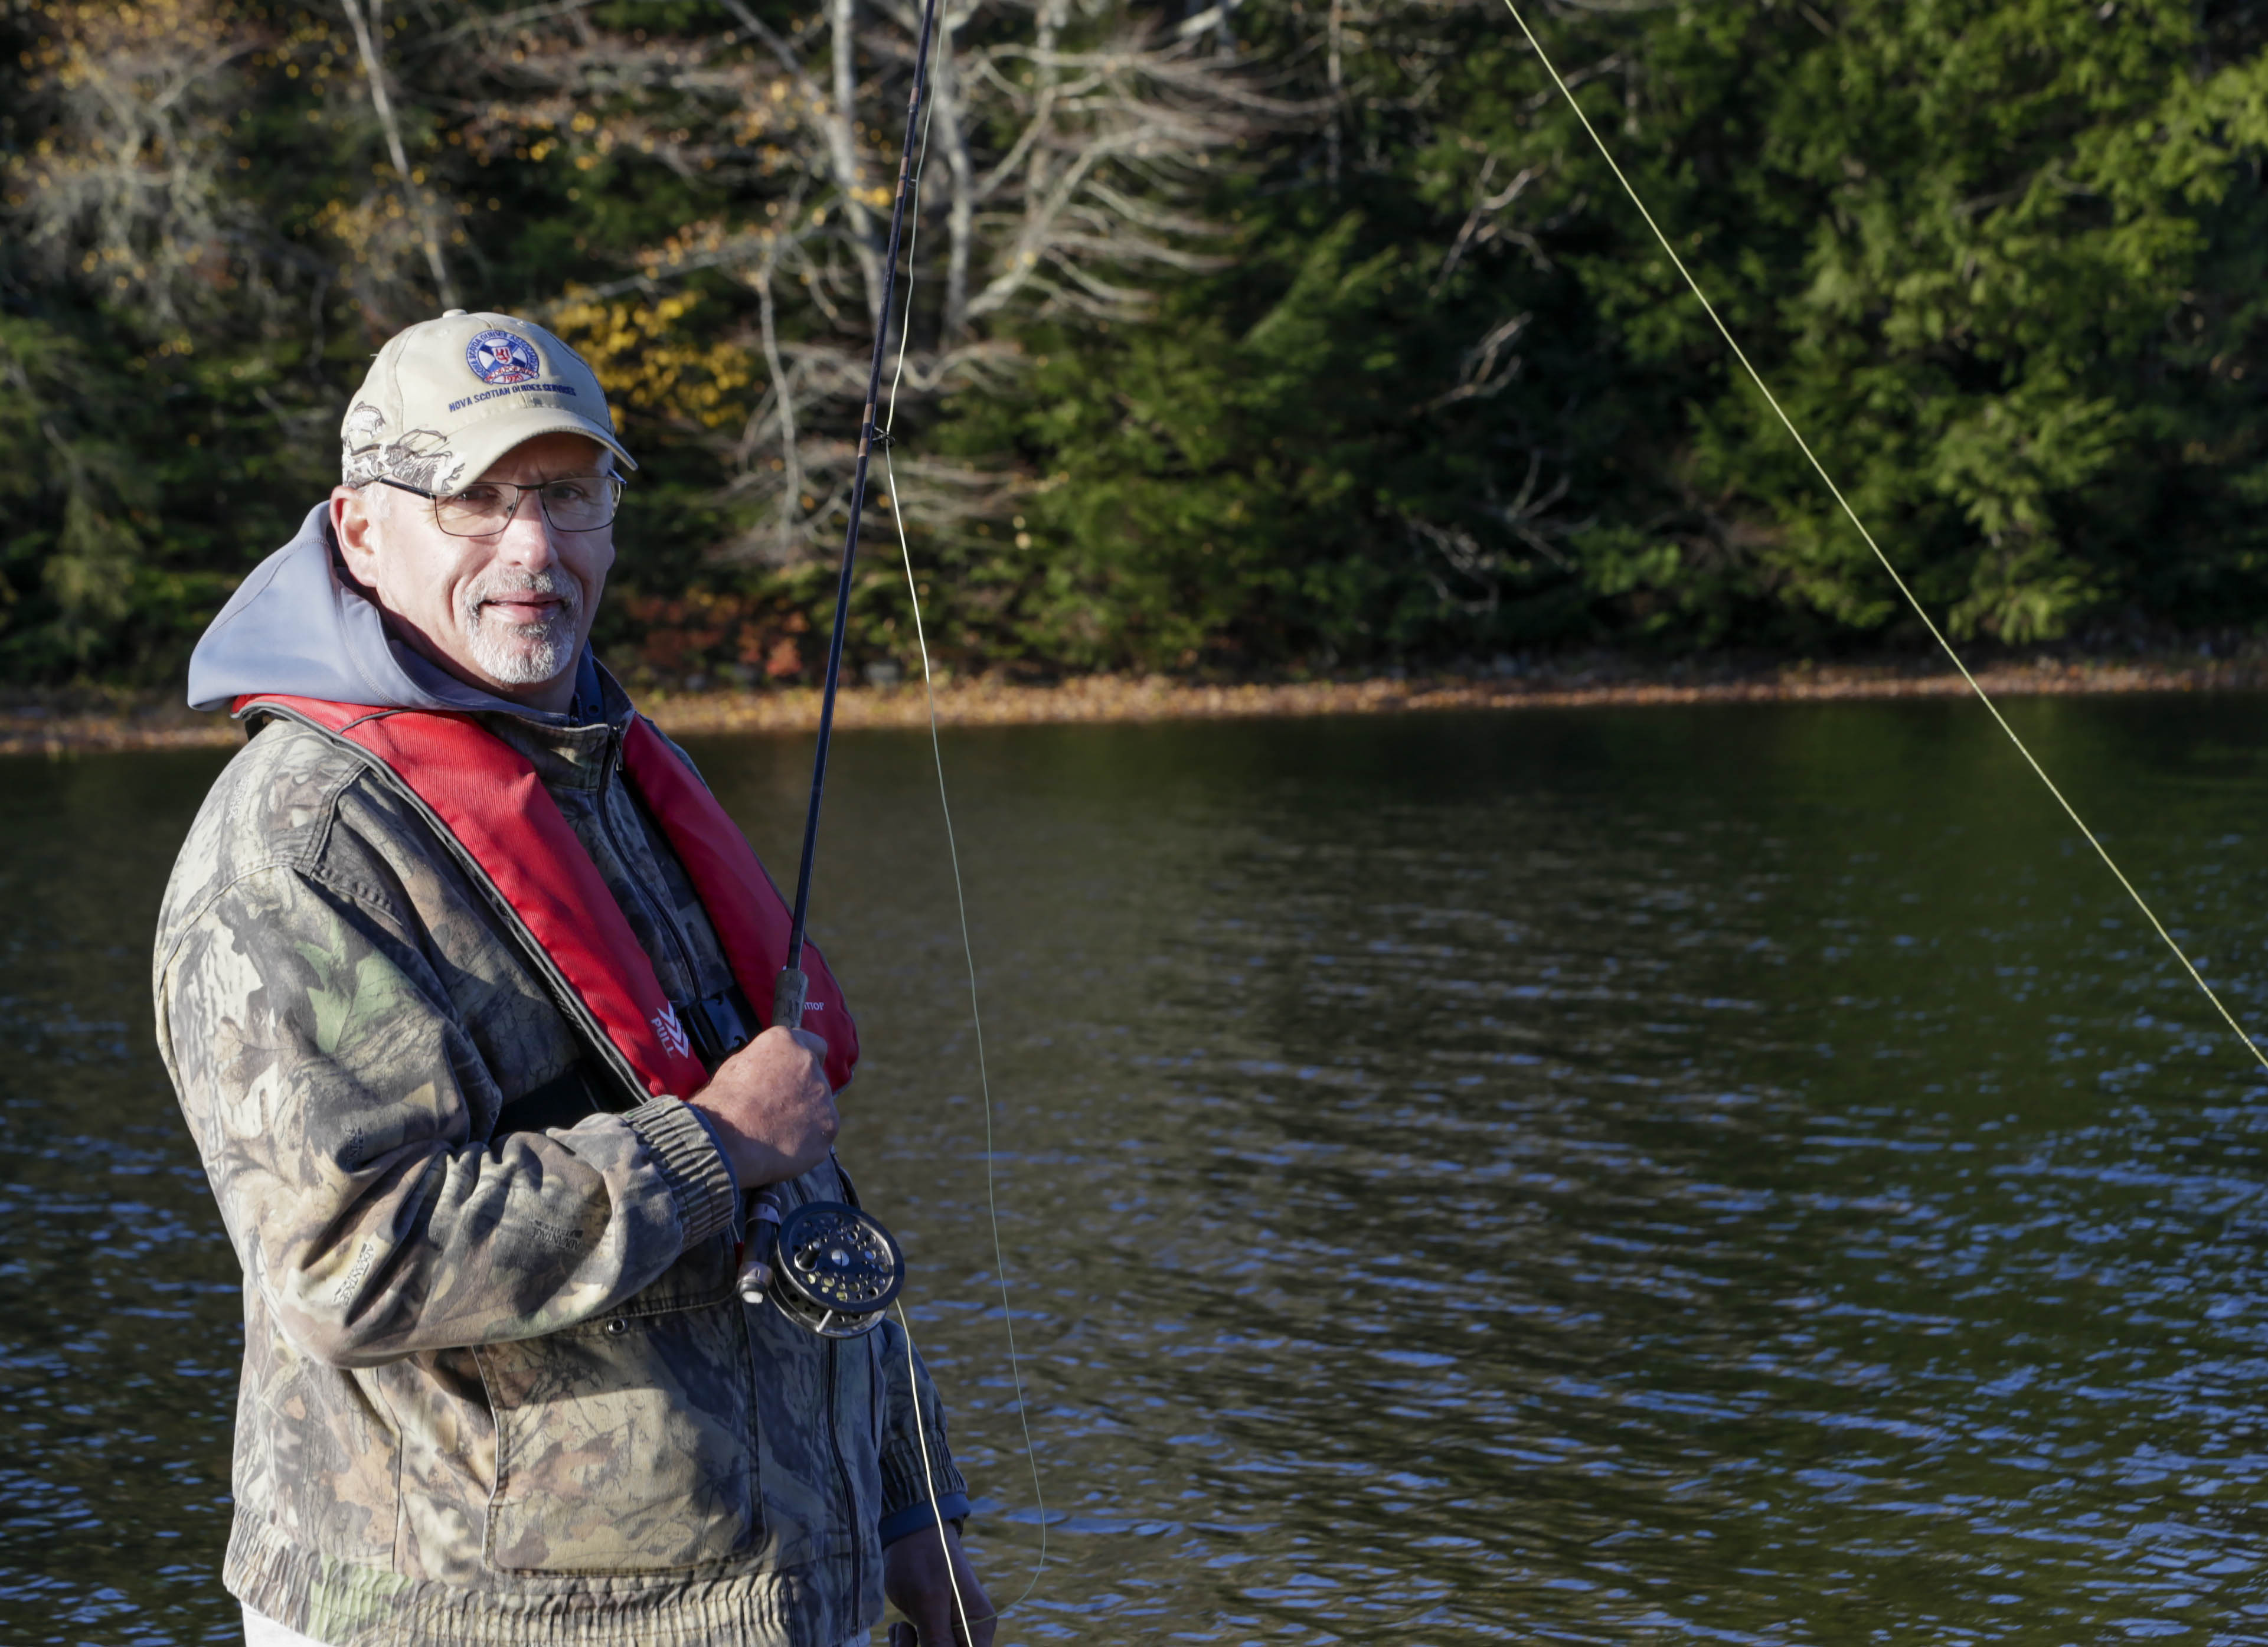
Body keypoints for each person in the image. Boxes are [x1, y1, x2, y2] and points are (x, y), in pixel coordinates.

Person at [153, 309, 995, 1647]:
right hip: (470, 1617)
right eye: (474, 500)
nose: (532, 548)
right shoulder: (301, 843)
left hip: (769, 1597)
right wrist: (707, 1146)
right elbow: (347, 1261)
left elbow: (800, 1169)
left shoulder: (611, 771)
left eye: (567, 493)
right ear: (362, 530)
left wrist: (909, 1509)